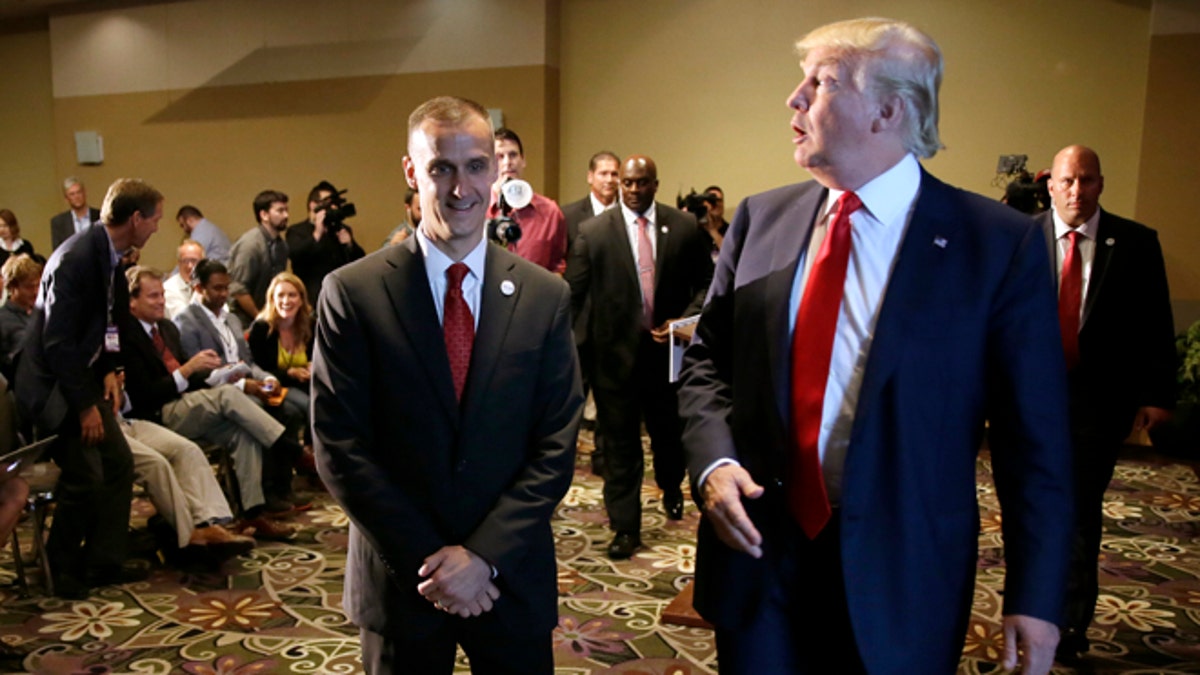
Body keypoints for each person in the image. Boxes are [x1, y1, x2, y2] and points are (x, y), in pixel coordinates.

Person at [676, 18, 1074, 674]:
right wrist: (713, 463)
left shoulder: (996, 245)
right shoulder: (760, 219)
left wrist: (1035, 595)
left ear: (890, 110)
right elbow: (707, 361)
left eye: (821, 82)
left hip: (903, 576)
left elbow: (1036, 443)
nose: (794, 98)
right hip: (758, 563)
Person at [312, 95, 582, 674]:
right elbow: (339, 445)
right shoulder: (352, 293)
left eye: (476, 166)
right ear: (412, 172)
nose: (462, 188)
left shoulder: (544, 297)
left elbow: (556, 444)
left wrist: (484, 558)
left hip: (509, 578)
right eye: (441, 168)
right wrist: (435, 565)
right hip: (403, 580)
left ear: (497, 169)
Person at [1035, 144, 1177, 663]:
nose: (1076, 191)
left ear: (1101, 184)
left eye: (1087, 180)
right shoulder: (1020, 239)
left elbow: (1156, 324)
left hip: (1096, 409)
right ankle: (1030, 608)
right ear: (1050, 184)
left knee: (1077, 515)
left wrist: (1159, 396)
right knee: (1030, 510)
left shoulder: (1137, 244)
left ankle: (1071, 625)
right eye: (1067, 181)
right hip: (1028, 407)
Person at [16, 178, 163, 597]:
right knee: (87, 474)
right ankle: (59, 568)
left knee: (118, 462)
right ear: (135, 219)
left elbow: (112, 323)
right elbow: (57, 344)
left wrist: (113, 370)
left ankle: (103, 561)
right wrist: (84, 406)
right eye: (154, 220)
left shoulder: (112, 258)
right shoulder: (76, 259)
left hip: (82, 378)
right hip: (51, 390)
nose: (156, 228)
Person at [566, 154, 713, 559]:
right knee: (620, 448)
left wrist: (683, 320)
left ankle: (670, 486)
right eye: (627, 183)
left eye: (641, 183)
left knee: (668, 440)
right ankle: (625, 527)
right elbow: (574, 295)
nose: (633, 190)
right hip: (613, 363)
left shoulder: (682, 227)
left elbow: (707, 282)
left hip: (667, 361)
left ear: (655, 184)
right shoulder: (593, 232)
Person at [119, 266, 300, 540]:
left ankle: (252, 515)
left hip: (188, 405)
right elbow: (144, 395)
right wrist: (189, 370)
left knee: (244, 434)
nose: (161, 301)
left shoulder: (166, 328)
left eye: (161, 295)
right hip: (156, 415)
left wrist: (215, 374)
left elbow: (192, 380)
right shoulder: (125, 336)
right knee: (229, 395)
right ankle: (293, 449)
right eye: (153, 296)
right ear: (132, 301)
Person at [487, 127, 568, 273]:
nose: (507, 163)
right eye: (499, 157)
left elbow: (557, 268)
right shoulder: (475, 209)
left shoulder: (550, 212)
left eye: (513, 155)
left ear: (523, 160)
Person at [248, 272, 314, 422]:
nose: (286, 301)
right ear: (272, 299)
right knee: (311, 405)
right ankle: (310, 445)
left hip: (306, 384)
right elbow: (258, 369)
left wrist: (312, 366)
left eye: (292, 295)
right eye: (280, 295)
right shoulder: (261, 328)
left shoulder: (311, 325)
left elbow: (318, 358)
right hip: (278, 385)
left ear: (301, 299)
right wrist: (290, 373)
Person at [286, 181, 365, 305]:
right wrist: (317, 233)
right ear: (313, 206)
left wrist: (350, 245)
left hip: (340, 297)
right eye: (328, 204)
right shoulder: (297, 231)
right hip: (310, 299)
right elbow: (296, 256)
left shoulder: (340, 229)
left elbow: (359, 262)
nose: (332, 208)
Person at [227, 190, 289, 326]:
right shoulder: (250, 245)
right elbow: (238, 289)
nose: (286, 215)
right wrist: (260, 317)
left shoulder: (281, 245)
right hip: (243, 321)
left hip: (268, 317)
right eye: (280, 211)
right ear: (264, 215)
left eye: (286, 210)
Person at [561, 151, 621, 252]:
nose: (610, 179)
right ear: (590, 177)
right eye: (603, 174)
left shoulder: (628, 213)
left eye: (614, 174)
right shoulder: (568, 216)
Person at [0, 254, 42, 380]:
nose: (36, 292)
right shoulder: (3, 320)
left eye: (38, 285)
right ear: (12, 288)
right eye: (29, 287)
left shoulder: (41, 312)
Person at [49, 177, 101, 250]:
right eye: (72, 194)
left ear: (85, 193)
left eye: (79, 192)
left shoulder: (100, 216)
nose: (76, 197)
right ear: (66, 199)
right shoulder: (59, 223)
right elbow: (58, 252)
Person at [164, 239, 204, 319]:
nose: (190, 266)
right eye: (185, 261)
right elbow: (185, 320)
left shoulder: (209, 283)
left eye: (194, 261)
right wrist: (198, 289)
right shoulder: (168, 288)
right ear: (178, 263)